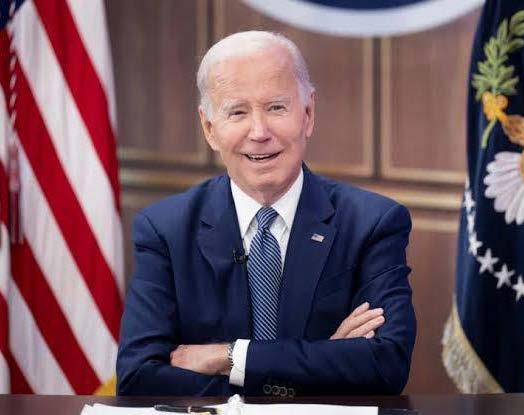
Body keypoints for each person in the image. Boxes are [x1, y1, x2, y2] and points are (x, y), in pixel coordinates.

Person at [117, 31, 416, 397]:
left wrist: (230, 357)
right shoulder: (165, 229)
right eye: (237, 112)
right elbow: (139, 377)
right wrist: (322, 363)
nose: (259, 132)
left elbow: (386, 365)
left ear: (308, 114)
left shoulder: (372, 224)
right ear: (209, 129)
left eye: (276, 108)